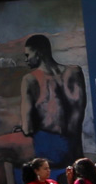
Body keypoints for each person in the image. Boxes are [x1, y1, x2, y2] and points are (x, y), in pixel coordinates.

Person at [19, 33, 88, 167]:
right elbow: (77, 113)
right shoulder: (75, 72)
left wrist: (23, 127)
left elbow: (27, 128)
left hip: (49, 149)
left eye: (28, 55)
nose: (26, 60)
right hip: (75, 149)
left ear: (38, 53)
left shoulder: (30, 79)